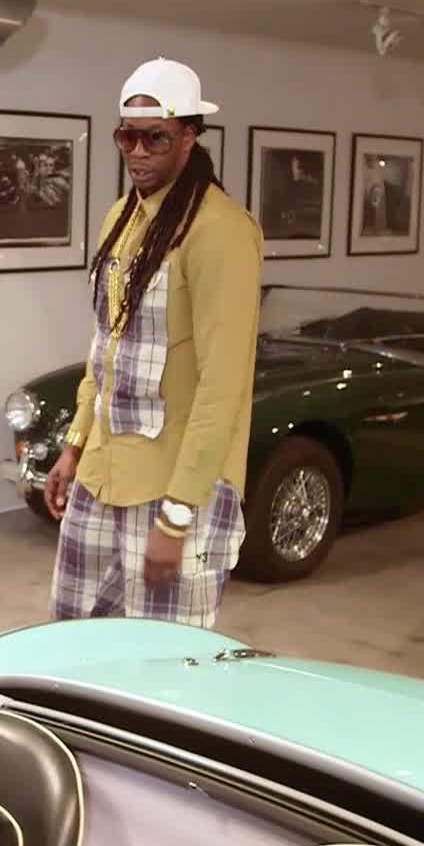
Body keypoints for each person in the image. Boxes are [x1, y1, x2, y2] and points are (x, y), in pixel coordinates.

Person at [43, 56, 264, 626]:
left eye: (155, 138)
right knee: (71, 638)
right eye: (127, 137)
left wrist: (178, 514)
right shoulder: (120, 218)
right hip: (101, 473)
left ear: (189, 136)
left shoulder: (221, 231)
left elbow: (223, 386)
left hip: (172, 485)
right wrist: (74, 445)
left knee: (160, 658)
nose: (138, 152)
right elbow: (105, 345)